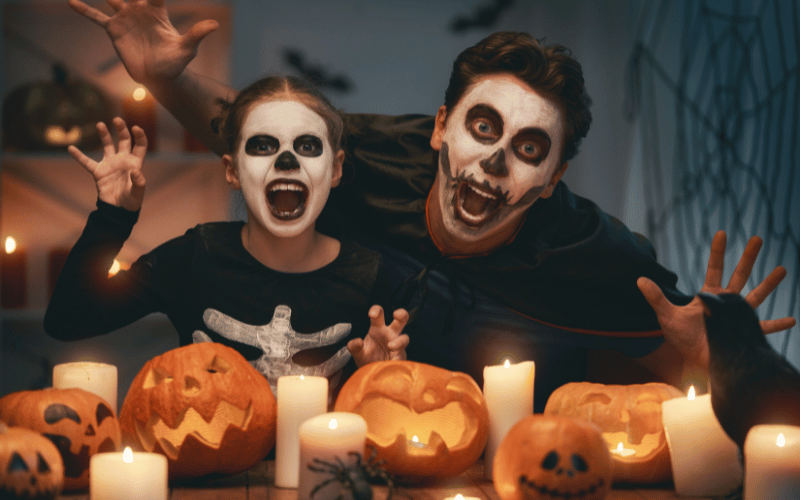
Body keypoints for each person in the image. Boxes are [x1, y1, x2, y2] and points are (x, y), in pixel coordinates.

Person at [67, 0, 795, 410]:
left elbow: (739, 388)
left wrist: (729, 357)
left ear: (551, 177)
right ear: (442, 127)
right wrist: (165, 82)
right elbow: (257, 126)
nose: (497, 161)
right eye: (484, 128)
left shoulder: (596, 253)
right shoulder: (375, 157)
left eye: (530, 148)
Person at [44, 76, 410, 400]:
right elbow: (69, 319)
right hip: (209, 461)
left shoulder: (369, 277)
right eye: (263, 146)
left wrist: (383, 374)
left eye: (308, 146)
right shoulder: (196, 257)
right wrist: (112, 216)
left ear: (335, 169)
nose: (287, 161)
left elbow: (400, 408)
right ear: (232, 171)